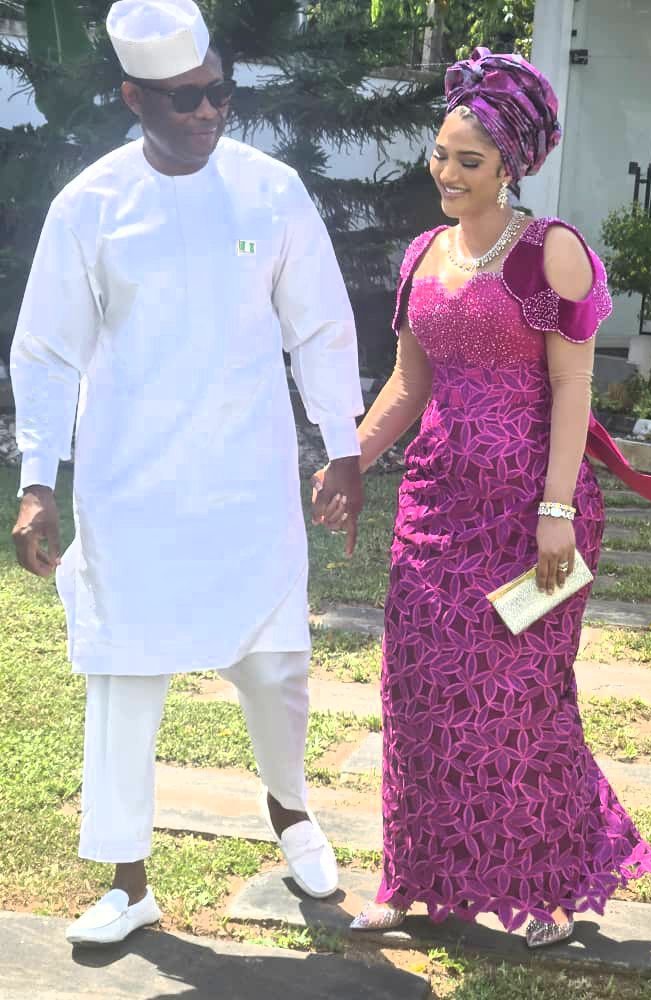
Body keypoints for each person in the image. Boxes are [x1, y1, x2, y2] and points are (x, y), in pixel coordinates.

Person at [11, 0, 363, 947]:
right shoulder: (89, 205)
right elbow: (46, 350)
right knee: (124, 677)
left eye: (219, 93)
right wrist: (38, 481)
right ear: (135, 99)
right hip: (132, 487)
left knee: (277, 667)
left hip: (248, 480)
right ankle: (129, 882)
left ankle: (290, 811)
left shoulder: (272, 191)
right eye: (184, 99)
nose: (208, 112)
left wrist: (342, 446)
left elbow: (320, 324)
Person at [313, 48, 651, 948]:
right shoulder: (423, 254)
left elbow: (572, 386)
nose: (446, 173)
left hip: (531, 516)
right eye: (440, 154)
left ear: (509, 164)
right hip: (435, 510)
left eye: (468, 160)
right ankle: (409, 879)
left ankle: (545, 887)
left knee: (519, 701)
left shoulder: (551, 251)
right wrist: (349, 459)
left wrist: (557, 511)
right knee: (419, 694)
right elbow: (409, 384)